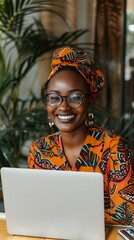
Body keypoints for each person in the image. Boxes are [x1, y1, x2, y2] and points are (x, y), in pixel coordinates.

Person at [28, 47, 134, 226]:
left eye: (75, 97)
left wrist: (62, 215)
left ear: (89, 99)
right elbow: (33, 207)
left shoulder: (113, 147)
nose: (63, 107)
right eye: (54, 98)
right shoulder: (40, 150)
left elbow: (127, 213)